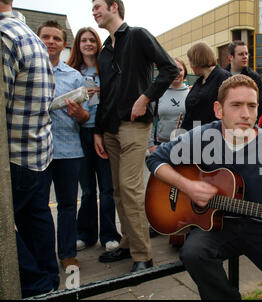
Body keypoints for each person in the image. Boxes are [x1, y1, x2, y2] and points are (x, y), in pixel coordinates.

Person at [147, 74, 262, 300]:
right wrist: (188, 186)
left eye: (252, 106)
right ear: (218, 110)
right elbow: (155, 160)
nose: (245, 114)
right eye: (236, 105)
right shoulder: (202, 136)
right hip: (214, 228)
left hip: (261, 226)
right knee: (194, 253)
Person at [91, 0, 178, 273]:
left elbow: (169, 69)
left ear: (114, 7)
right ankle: (128, 243)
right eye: (92, 8)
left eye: (97, 6)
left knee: (130, 189)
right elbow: (105, 94)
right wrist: (97, 131)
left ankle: (144, 256)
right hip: (110, 129)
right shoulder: (104, 52)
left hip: (135, 125)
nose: (94, 12)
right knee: (118, 191)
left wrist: (146, 97)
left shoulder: (138, 35)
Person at [0, 0, 59, 298]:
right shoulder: (27, 34)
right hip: (36, 152)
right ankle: (49, 283)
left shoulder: (4, 37)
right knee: (36, 220)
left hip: (13, 156)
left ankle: (37, 285)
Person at [38, 20, 90, 272]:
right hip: (35, 151)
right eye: (46, 37)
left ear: (64, 44)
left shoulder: (74, 77)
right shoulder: (29, 70)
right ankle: (43, 255)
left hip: (69, 150)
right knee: (38, 208)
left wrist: (78, 112)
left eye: (56, 38)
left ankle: (67, 254)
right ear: (38, 40)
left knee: (68, 205)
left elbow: (86, 117)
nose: (51, 42)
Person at [67, 27, 121, 252]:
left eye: (92, 40)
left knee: (107, 187)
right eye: (83, 40)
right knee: (88, 189)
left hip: (103, 133)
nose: (88, 43)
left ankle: (109, 234)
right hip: (79, 133)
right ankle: (85, 233)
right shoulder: (71, 72)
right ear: (77, 44)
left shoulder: (106, 70)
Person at [181, 42, 231, 130]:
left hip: (214, 135)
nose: (190, 65)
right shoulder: (200, 81)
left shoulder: (223, 77)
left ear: (197, 59)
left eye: (190, 60)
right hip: (196, 135)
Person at [148, 57, 189, 153]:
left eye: (180, 70)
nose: (176, 73)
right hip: (161, 146)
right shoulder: (158, 93)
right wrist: (151, 145)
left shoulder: (191, 94)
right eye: (173, 68)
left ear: (185, 72)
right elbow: (151, 120)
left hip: (184, 146)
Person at [224, 40, 262, 116]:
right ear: (230, 57)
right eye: (241, 54)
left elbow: (259, 103)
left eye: (246, 53)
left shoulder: (254, 77)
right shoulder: (222, 76)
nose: (245, 57)